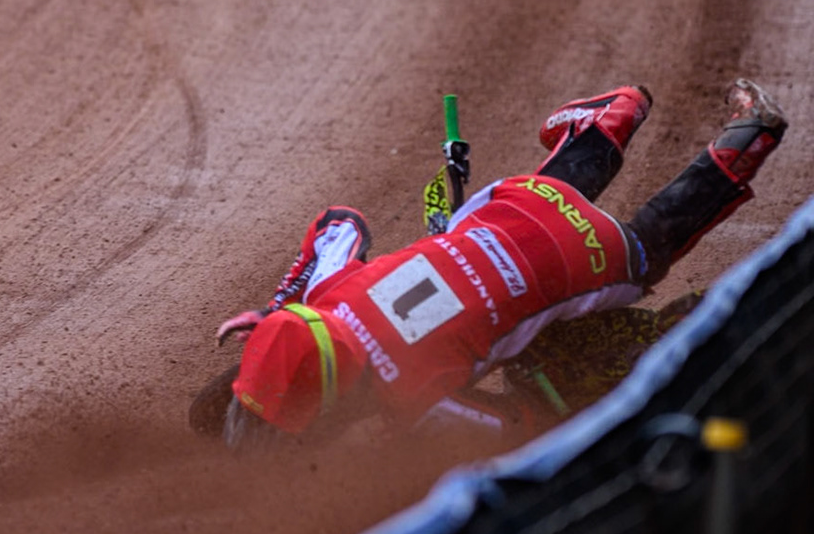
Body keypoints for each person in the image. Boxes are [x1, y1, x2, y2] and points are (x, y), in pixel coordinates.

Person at [210, 81, 787, 449]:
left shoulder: (412, 401)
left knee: (642, 252)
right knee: (536, 201)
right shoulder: (329, 292)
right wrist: (281, 305)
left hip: (589, 259)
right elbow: (340, 221)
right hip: (510, 206)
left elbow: (513, 429)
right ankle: (614, 115)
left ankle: (750, 137)